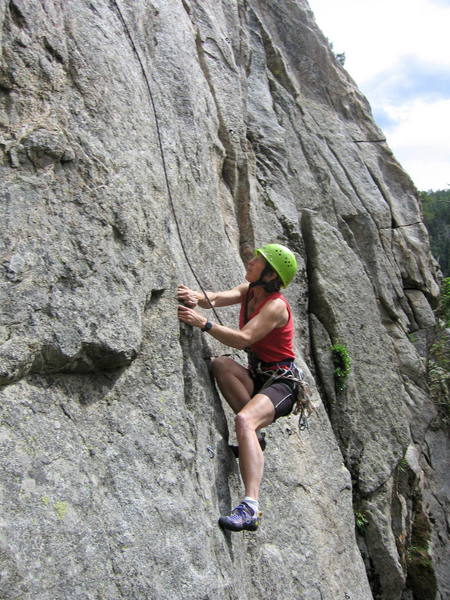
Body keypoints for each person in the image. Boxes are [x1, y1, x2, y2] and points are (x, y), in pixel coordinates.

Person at [177, 243, 302, 533]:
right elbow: (218, 298)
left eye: (258, 261)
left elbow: (244, 339)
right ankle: (253, 441)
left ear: (270, 275)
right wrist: (195, 297)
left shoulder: (275, 306)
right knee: (221, 365)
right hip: (259, 376)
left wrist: (203, 323)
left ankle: (251, 507)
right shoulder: (250, 291)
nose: (251, 262)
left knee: (244, 420)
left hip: (282, 384)